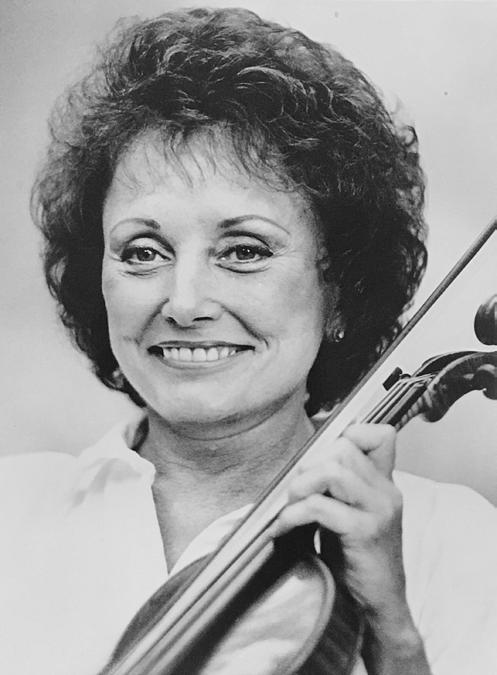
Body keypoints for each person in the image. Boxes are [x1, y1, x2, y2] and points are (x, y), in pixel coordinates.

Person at [1, 7, 496, 675]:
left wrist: (394, 636)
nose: (183, 303)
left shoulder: (459, 542)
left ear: (340, 291)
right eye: (143, 251)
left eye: (243, 250)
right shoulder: (12, 507)